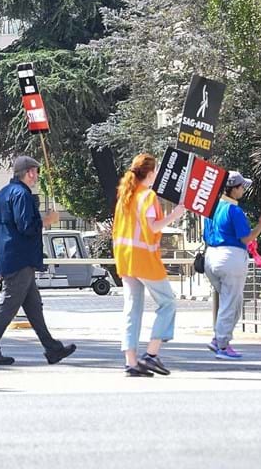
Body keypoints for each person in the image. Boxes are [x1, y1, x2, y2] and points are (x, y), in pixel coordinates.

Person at [0, 154, 77, 367]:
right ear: (30, 172)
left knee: (33, 306)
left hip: (11, 257)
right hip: (20, 258)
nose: (37, 177)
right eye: (36, 173)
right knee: (8, 304)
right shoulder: (22, 195)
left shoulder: (1, 195)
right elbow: (26, 227)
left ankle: (52, 348)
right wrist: (47, 221)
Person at [113, 152, 185, 378]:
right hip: (144, 258)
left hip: (125, 258)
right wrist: (176, 213)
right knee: (168, 303)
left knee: (132, 309)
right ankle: (152, 354)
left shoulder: (126, 195)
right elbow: (154, 227)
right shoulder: (147, 196)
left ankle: (131, 362)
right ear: (151, 173)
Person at [203, 171, 261, 360]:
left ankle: (219, 340)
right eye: (242, 187)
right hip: (230, 257)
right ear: (235, 189)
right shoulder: (234, 210)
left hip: (211, 256)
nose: (243, 190)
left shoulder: (212, 208)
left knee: (232, 302)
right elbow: (246, 237)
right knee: (230, 302)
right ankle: (222, 344)